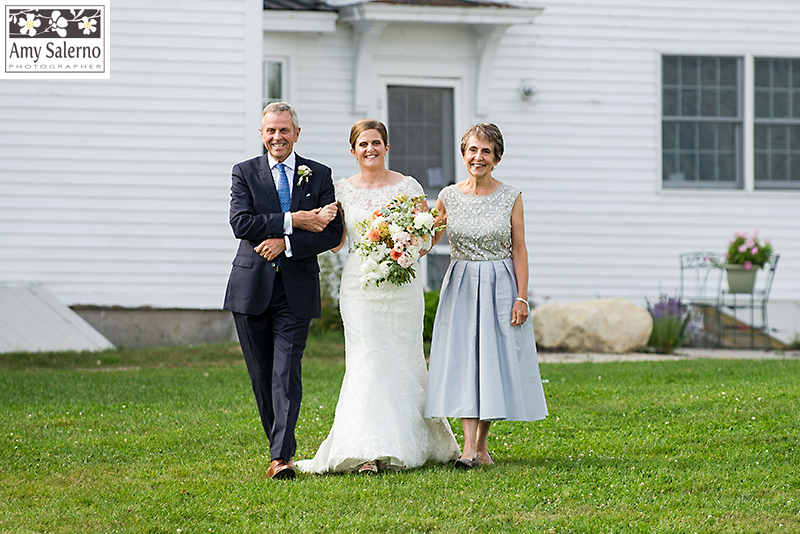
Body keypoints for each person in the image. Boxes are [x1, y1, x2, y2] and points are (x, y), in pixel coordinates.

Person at [295, 119, 460, 474]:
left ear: (387, 147)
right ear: (352, 151)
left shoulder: (408, 185)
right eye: (363, 144)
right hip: (360, 288)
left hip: (402, 287)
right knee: (366, 360)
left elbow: (427, 236)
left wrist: (406, 246)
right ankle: (366, 449)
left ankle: (415, 439)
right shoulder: (341, 190)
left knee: (404, 360)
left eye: (376, 143)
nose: (370, 149)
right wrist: (313, 222)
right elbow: (337, 242)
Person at [223, 102, 343, 480]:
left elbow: (332, 232)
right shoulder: (244, 172)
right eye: (271, 131)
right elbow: (241, 223)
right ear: (262, 134)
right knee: (262, 376)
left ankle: (282, 457)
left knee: (285, 373)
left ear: (296, 133)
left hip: (296, 289)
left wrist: (285, 243)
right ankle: (278, 444)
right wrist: (296, 220)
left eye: (284, 130)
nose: (278, 137)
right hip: (250, 289)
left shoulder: (319, 174)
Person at [424, 123, 548, 469]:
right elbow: (431, 239)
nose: (478, 157)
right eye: (473, 150)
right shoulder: (447, 196)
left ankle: (482, 445)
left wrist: (521, 298)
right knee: (464, 360)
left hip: (500, 283)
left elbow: (520, 249)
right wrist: (405, 239)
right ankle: (467, 449)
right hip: (461, 282)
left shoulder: (511, 196)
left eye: (486, 151)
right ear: (464, 154)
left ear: (496, 158)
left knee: (492, 360)